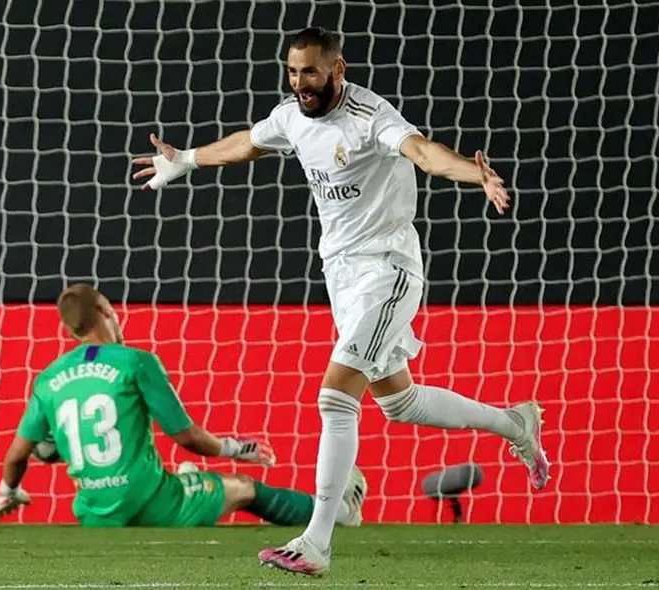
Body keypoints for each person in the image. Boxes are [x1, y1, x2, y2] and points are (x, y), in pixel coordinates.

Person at [131, 26, 550, 576]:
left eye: (310, 71)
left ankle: (317, 542)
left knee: (334, 397)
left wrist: (477, 174)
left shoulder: (371, 116)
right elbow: (245, 143)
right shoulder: (290, 116)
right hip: (342, 277)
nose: (300, 82)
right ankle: (515, 423)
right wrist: (185, 159)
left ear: (337, 69)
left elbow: (424, 153)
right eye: (292, 72)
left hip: (388, 271)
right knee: (398, 403)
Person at [0, 283, 367, 530]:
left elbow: (17, 454)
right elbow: (186, 436)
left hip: (94, 516)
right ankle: (340, 514)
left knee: (187, 473)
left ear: (71, 331)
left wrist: (9, 492)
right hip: (153, 506)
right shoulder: (134, 362)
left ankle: (189, 480)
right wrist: (237, 448)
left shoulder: (49, 379)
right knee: (244, 488)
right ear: (107, 313)